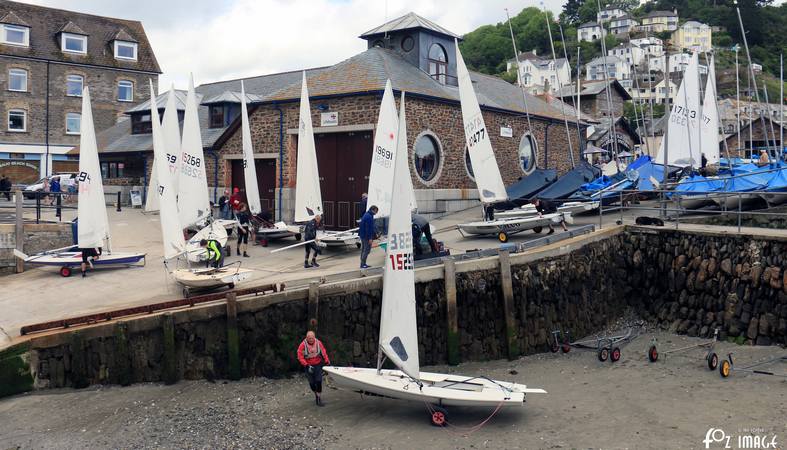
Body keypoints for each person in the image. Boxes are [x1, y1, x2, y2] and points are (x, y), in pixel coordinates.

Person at [296, 331, 330, 407]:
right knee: (312, 384)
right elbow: (300, 357)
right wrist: (306, 365)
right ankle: (316, 394)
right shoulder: (302, 345)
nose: (311, 339)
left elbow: (323, 351)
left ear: (314, 337)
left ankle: (318, 398)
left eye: (312, 338)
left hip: (317, 364)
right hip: (308, 365)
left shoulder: (318, 343)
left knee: (318, 381)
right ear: (307, 338)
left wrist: (327, 360)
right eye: (309, 338)